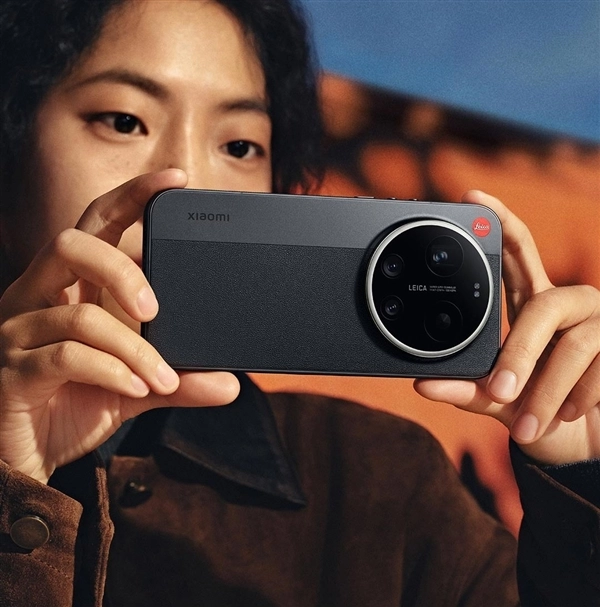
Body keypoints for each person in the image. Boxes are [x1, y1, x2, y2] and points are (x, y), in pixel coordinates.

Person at [0, 0, 599, 605]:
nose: (186, 176)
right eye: (124, 120)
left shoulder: (382, 479)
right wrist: (12, 486)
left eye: (240, 145)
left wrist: (585, 478)